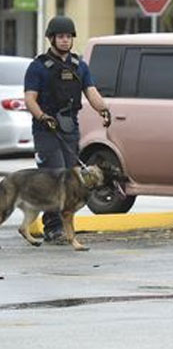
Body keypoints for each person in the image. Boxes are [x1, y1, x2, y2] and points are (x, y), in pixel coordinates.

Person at [23, 16, 111, 243]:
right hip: (46, 130)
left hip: (70, 127)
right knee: (53, 177)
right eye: (60, 36)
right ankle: (52, 228)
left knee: (72, 179)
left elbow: (91, 91)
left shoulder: (79, 66)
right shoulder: (38, 67)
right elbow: (30, 99)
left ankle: (65, 227)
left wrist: (104, 109)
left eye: (68, 36)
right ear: (52, 38)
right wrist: (42, 117)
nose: (65, 40)